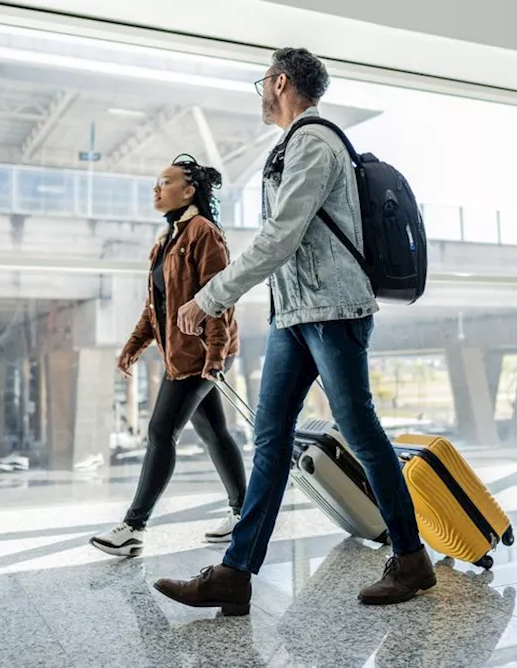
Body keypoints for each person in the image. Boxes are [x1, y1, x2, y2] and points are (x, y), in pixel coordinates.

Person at [153, 48, 435, 615]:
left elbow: (280, 237)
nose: (261, 91)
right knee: (270, 440)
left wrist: (208, 298)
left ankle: (411, 559)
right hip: (297, 316)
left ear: (280, 82)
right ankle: (235, 574)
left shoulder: (313, 142)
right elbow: (290, 246)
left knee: (359, 429)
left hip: (332, 312)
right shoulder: (293, 145)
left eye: (264, 82)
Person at [89, 156, 247, 558]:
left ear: (189, 190)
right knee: (214, 432)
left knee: (161, 433)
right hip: (182, 355)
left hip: (201, 355)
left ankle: (134, 528)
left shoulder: (203, 233)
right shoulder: (167, 240)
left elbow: (218, 297)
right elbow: (153, 307)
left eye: (165, 182)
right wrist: (132, 349)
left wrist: (214, 356)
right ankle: (244, 514)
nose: (156, 190)